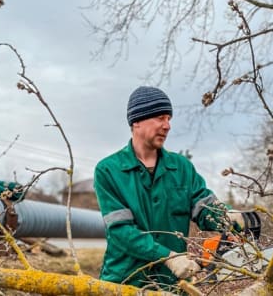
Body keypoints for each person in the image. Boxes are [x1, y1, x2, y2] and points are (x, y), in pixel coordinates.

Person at [94, 86, 243, 291]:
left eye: (169, 119)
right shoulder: (109, 170)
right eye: (160, 118)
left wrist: (227, 216)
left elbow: (203, 207)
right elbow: (121, 231)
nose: (167, 126)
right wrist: (168, 257)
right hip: (126, 281)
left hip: (172, 284)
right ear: (136, 121)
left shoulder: (181, 167)